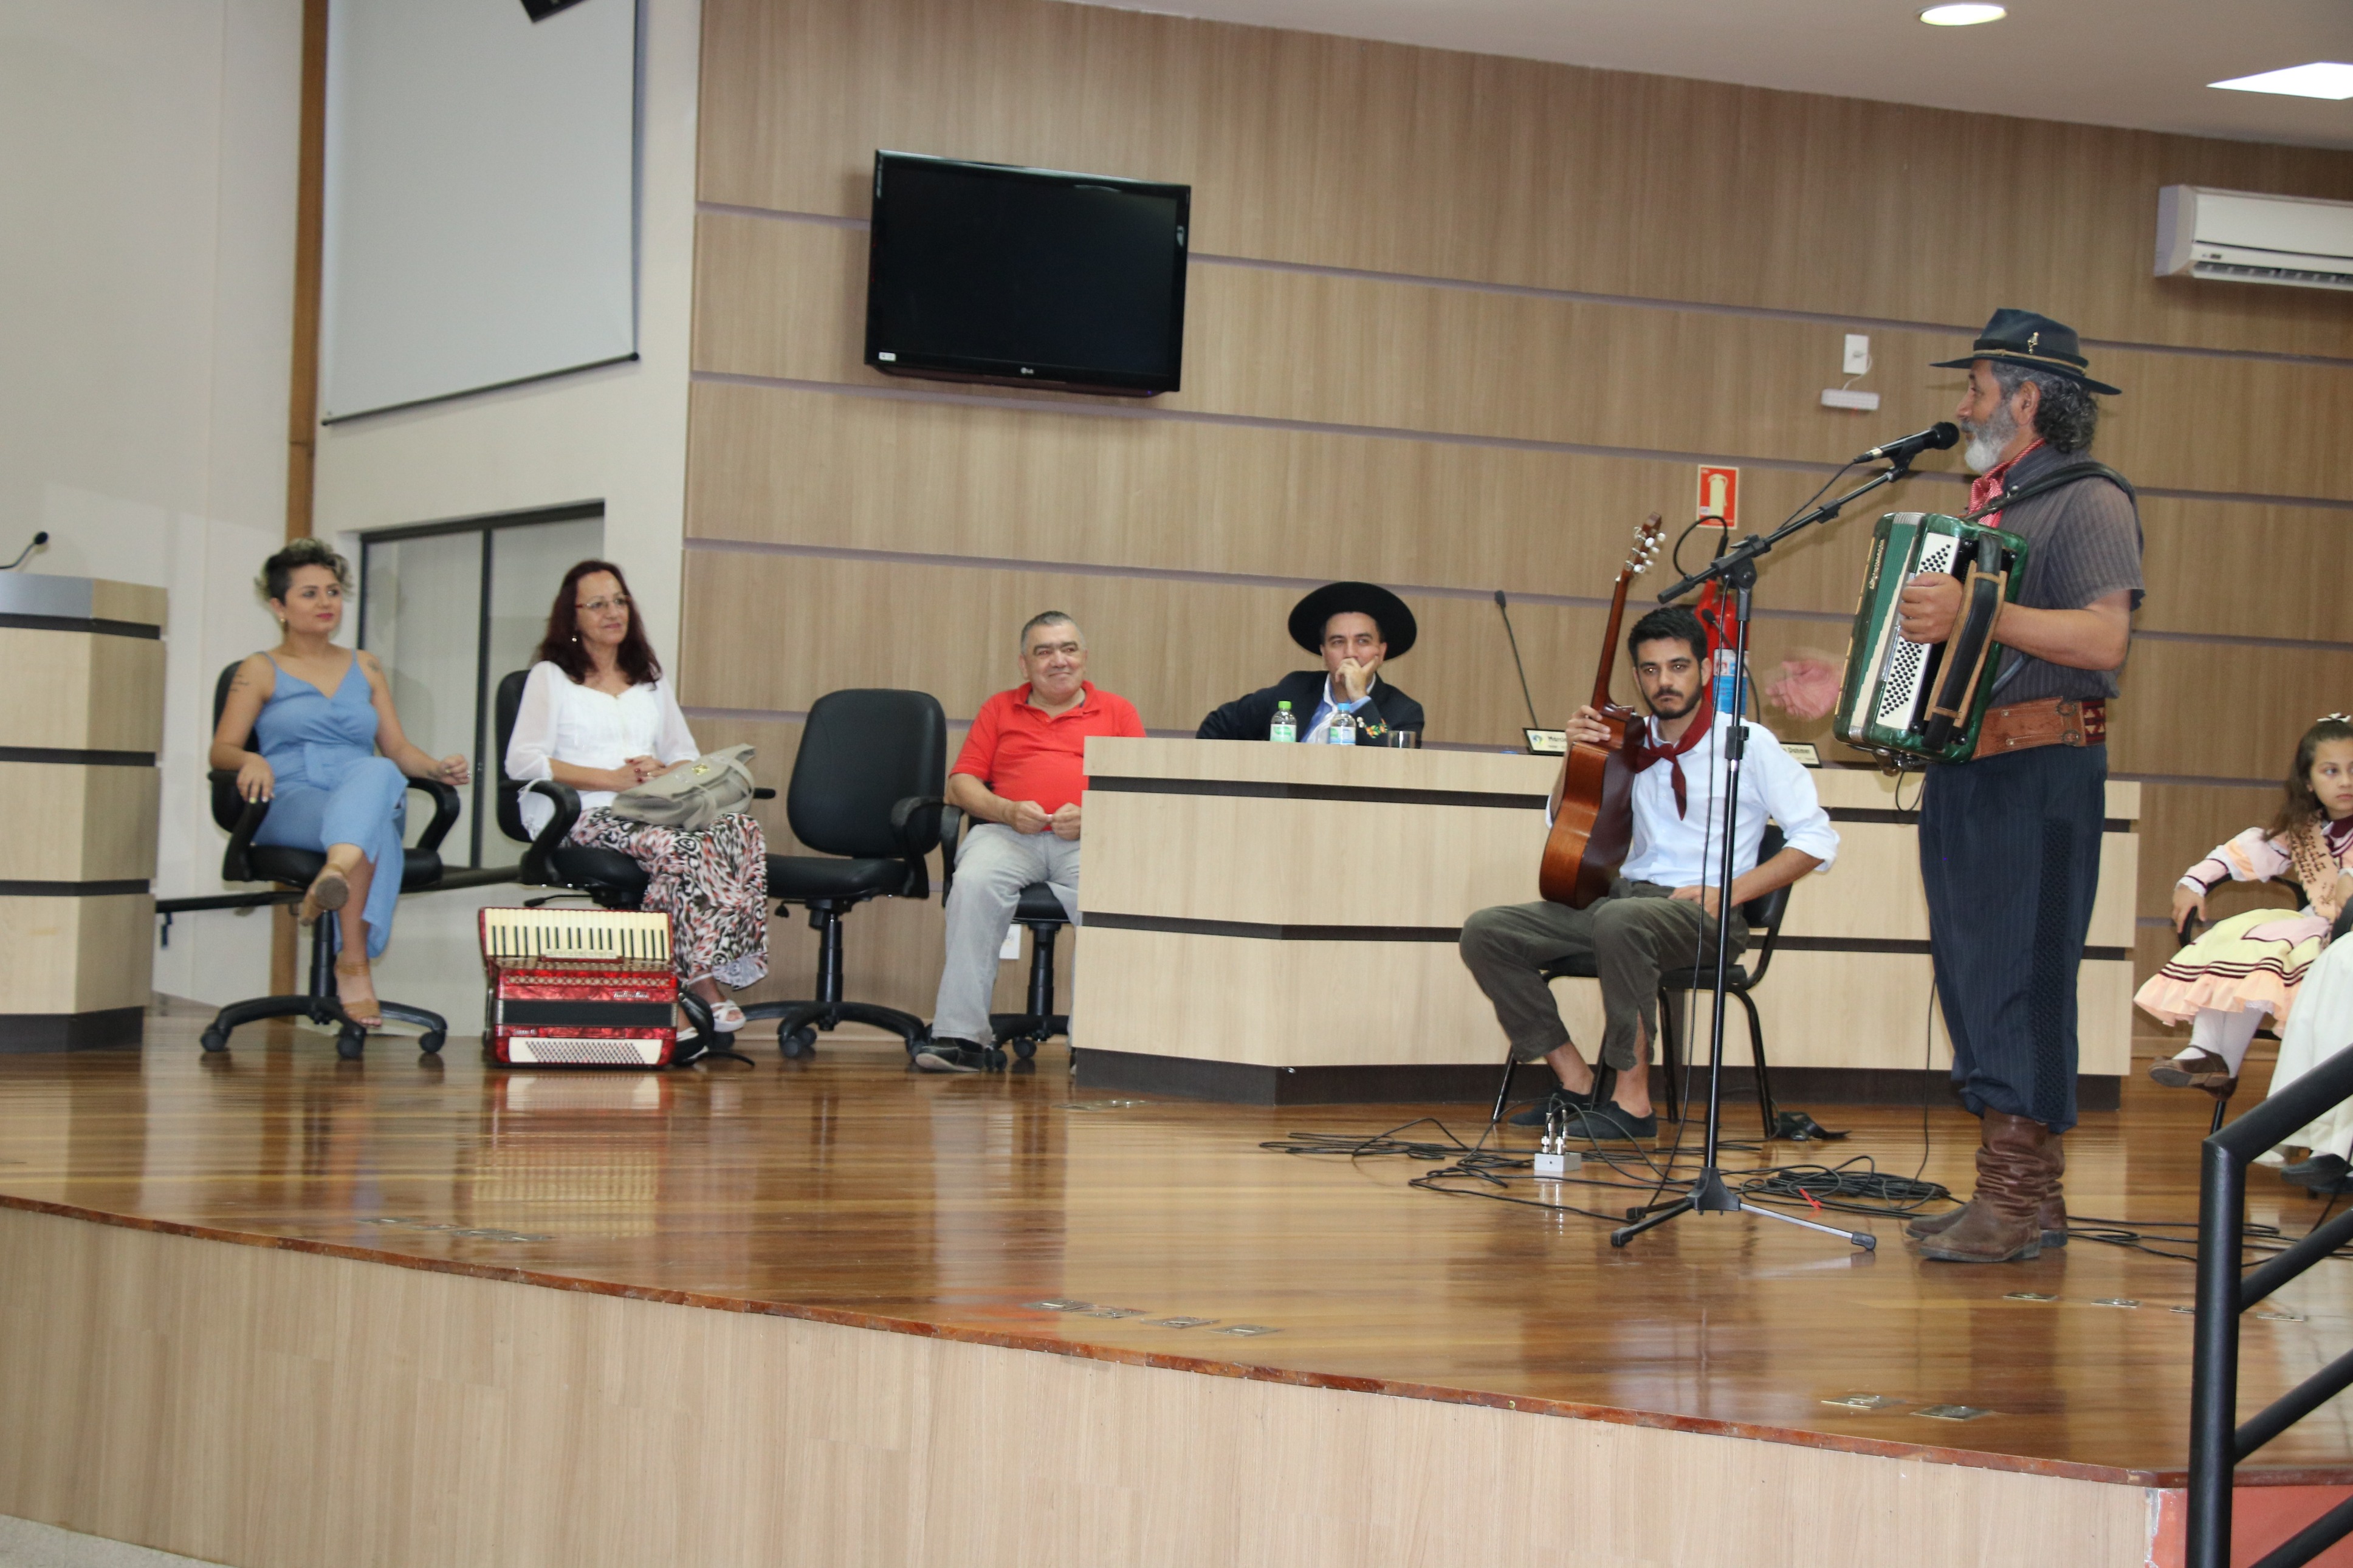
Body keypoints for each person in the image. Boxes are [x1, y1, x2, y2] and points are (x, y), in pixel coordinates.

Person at [1896, 309, 2143, 1265]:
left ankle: (2010, 1196)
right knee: (1973, 976)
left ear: (2028, 398)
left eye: (1976, 388)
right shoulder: (1988, 507)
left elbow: (2104, 639)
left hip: (2040, 769)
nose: (1963, 406)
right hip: (1972, 767)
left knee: (2021, 979)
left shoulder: (2090, 499)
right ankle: (2030, 1199)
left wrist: (1979, 610)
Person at [1458, 606, 1836, 1140]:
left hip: (1704, 913)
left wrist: (1731, 891)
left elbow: (1817, 839)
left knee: (1622, 922)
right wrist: (1577, 755)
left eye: (1679, 666)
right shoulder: (1627, 740)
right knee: (1487, 931)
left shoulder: (1747, 743)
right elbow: (1564, 821)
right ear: (1637, 677)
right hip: (1623, 902)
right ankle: (1577, 1081)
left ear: (1706, 670)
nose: (1665, 681)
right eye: (1652, 670)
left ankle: (1633, 1104)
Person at [210, 538, 471, 1030]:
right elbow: (221, 750)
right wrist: (250, 758)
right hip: (290, 799)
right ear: (279, 606)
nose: (326, 602)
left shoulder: (366, 665)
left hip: (361, 787)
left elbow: (398, 750)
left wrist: (437, 768)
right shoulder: (259, 668)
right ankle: (353, 962)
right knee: (372, 823)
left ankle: (336, 871)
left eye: (332, 591)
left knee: (379, 772)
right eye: (309, 593)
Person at [504, 560, 770, 1035]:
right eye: (598, 604)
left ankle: (705, 966)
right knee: (681, 848)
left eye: (620, 601)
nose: (613, 612)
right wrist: (609, 779)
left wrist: (662, 770)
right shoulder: (551, 676)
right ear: (572, 616)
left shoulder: (648, 677)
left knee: (741, 829)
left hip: (652, 809)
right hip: (583, 813)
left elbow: (685, 755)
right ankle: (686, 984)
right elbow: (522, 761)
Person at [915, 612, 1145, 1073]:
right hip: (1006, 834)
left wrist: (1093, 815)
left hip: (1089, 839)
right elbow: (960, 785)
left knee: (1112, 897)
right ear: (1025, 664)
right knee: (973, 883)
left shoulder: (1117, 711)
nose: (1059, 660)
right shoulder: (999, 708)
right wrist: (1006, 810)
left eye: (1068, 649)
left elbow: (1142, 791)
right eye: (1044, 652)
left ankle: (1096, 1044)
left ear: (1084, 657)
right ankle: (962, 1038)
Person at [2138, 716, 2353, 1093]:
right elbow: (2247, 852)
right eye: (2331, 771)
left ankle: (2219, 1061)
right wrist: (2193, 882)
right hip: (2318, 929)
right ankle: (2209, 1053)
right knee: (2241, 938)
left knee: (2273, 951)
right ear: (2308, 781)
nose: (2346, 782)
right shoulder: (2305, 828)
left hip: (2344, 944)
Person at [1195, 581, 1425, 742]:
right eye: (1337, 642)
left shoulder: (1404, 712)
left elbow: (1392, 768)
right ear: (1323, 653)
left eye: (1362, 641)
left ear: (1381, 652)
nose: (1350, 653)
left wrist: (1360, 698)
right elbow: (1217, 725)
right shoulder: (1293, 690)